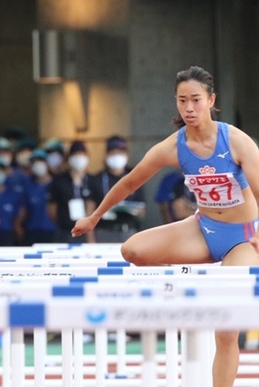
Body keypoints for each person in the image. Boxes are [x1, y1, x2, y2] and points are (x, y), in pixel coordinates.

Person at [72, 66, 259, 387]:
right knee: (132, 249)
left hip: (242, 238)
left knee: (227, 328)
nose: (189, 108)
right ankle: (188, 291)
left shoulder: (237, 141)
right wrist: (95, 216)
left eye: (196, 100)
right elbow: (130, 182)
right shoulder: (174, 146)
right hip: (202, 229)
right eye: (182, 100)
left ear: (211, 100)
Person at [87, 136, 146, 242]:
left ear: (126, 155)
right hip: (104, 231)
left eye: (120, 152)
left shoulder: (134, 177)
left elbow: (142, 211)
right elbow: (89, 210)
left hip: (128, 231)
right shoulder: (97, 179)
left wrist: (135, 211)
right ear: (106, 156)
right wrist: (91, 239)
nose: (116, 156)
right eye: (113, 153)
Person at [48, 140, 94, 243]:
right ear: (69, 158)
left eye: (81, 154)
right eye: (75, 154)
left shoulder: (92, 180)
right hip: (65, 231)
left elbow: (93, 205)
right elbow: (51, 209)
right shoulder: (59, 181)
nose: (79, 158)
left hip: (86, 231)